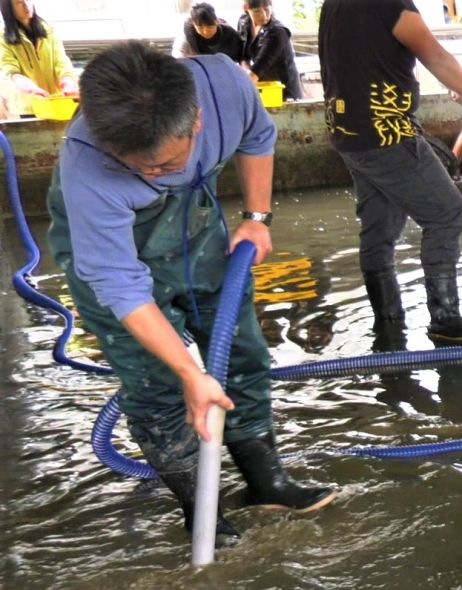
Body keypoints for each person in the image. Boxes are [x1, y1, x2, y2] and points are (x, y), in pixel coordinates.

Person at [45, 42, 335, 547]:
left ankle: (266, 481)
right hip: (111, 250)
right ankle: (203, 513)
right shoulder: (88, 165)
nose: (149, 173)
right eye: (135, 167)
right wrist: (188, 373)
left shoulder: (225, 86)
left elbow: (258, 135)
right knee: (156, 383)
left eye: (160, 165)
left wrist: (257, 217)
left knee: (242, 347)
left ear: (195, 122)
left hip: (194, 223)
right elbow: (119, 283)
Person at [318, 0, 462, 345]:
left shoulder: (335, 4)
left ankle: (388, 322)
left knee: (380, 227)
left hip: (349, 134)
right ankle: (445, 323)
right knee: (446, 213)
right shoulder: (388, 3)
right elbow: (435, 56)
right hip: (387, 133)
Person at [0, 0, 75, 118]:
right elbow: (10, 70)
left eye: (28, 0)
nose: (26, 5)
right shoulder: (2, 37)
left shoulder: (48, 30)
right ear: (9, 9)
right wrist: (30, 88)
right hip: (30, 106)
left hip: (57, 102)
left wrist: (67, 80)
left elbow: (61, 61)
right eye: (19, 3)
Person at [238, 0, 302, 101]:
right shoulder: (244, 22)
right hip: (263, 87)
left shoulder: (278, 32)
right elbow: (243, 55)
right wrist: (244, 68)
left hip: (284, 91)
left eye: (267, 9)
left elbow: (258, 69)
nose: (263, 15)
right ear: (246, 8)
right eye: (257, 11)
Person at [173, 2, 243, 62]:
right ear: (193, 24)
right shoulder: (186, 36)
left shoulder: (230, 34)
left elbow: (238, 57)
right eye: (200, 28)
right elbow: (178, 57)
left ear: (217, 21)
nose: (205, 32)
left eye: (210, 27)